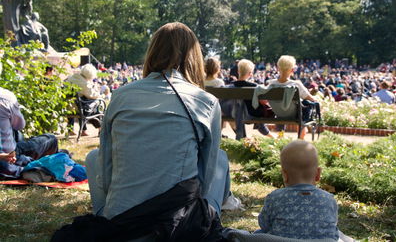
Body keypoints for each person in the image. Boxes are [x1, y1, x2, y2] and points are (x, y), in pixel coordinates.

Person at [85, 22, 233, 239]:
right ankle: (228, 202)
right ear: (194, 58)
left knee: (93, 157)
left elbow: (107, 175)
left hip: (120, 223)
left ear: (152, 52)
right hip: (177, 227)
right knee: (219, 159)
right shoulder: (206, 101)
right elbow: (205, 180)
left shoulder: (120, 96)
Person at [257, 140, 339, 240]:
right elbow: (333, 225)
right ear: (318, 174)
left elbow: (264, 224)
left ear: (284, 175)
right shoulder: (329, 199)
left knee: (258, 233)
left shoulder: (274, 198)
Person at [0, 86, 59, 179]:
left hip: (7, 157)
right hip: (10, 154)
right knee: (51, 139)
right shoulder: (5, 97)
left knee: (18, 136)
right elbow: (19, 125)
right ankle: (48, 165)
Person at [264, 55, 316, 139]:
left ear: (278, 68)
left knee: (282, 105)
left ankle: (281, 136)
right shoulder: (296, 84)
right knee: (304, 105)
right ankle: (301, 136)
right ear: (292, 70)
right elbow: (312, 99)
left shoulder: (271, 84)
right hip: (295, 115)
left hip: (279, 114)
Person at [232, 59, 274, 138]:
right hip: (251, 115)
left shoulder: (230, 87)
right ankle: (272, 136)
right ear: (250, 73)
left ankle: (270, 136)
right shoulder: (254, 86)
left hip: (234, 114)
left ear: (238, 71)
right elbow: (264, 101)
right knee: (259, 108)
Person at [66, 64, 102, 136]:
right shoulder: (84, 83)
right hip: (78, 108)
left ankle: (71, 129)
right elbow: (93, 95)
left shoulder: (71, 78)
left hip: (68, 107)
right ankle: (100, 128)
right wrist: (99, 94)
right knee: (95, 104)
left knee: (80, 103)